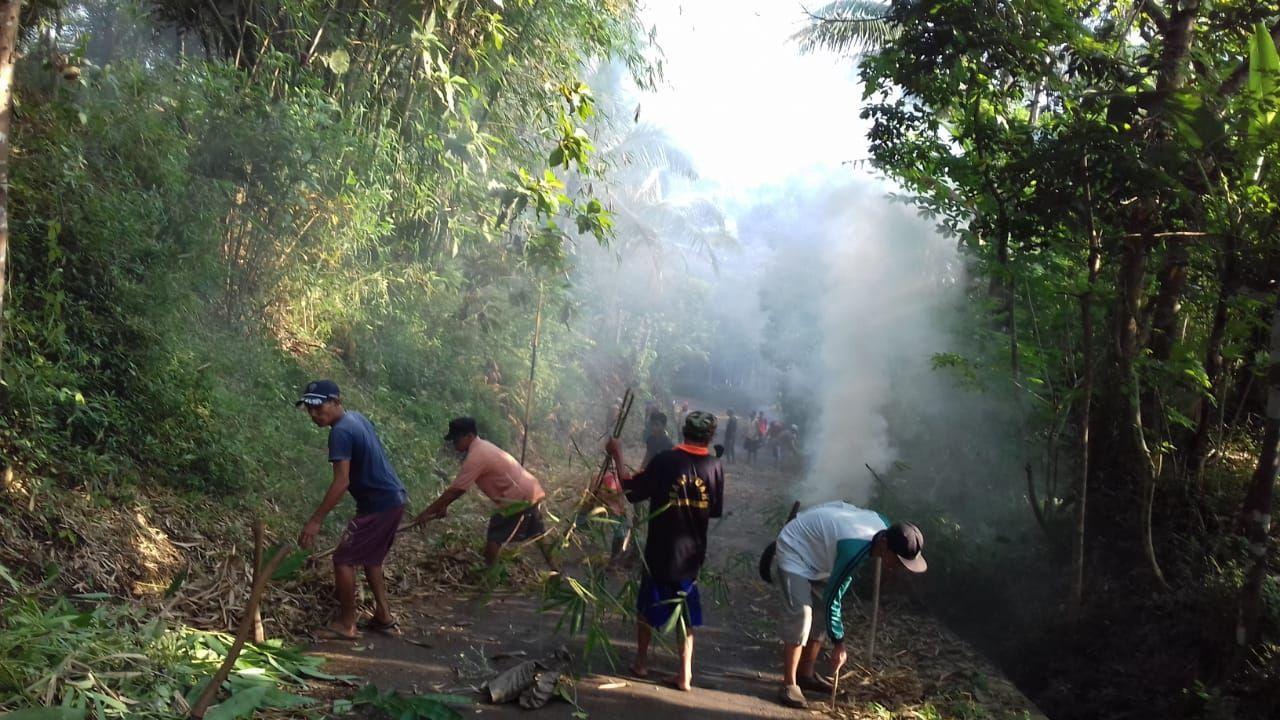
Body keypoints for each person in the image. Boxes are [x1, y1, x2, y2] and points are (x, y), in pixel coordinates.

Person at [761, 501, 926, 708]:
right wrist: (839, 643)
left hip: (819, 553)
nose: (901, 566)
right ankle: (789, 684)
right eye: (899, 560)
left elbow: (845, 509)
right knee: (802, 614)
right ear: (884, 545)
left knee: (820, 614)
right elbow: (833, 596)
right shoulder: (853, 549)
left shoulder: (883, 526)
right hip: (795, 549)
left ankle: (806, 675)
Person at [605, 410, 725, 692]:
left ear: (683, 430)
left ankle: (641, 663)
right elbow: (715, 509)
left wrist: (617, 453)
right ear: (710, 436)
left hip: (660, 550)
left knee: (647, 607)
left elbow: (631, 490)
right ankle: (685, 675)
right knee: (684, 612)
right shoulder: (716, 467)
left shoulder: (666, 460)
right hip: (692, 554)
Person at [296, 380, 408, 640]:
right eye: (308, 408)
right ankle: (384, 615)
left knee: (343, 560)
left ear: (336, 402)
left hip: (378, 505)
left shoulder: (340, 433)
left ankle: (347, 624)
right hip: (392, 499)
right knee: (371, 559)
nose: (313, 413)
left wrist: (315, 521)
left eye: (318, 406)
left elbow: (342, 481)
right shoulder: (355, 418)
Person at [415, 418, 554, 567]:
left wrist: (427, 512)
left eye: (456, 439)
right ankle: (557, 571)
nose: (454, 443)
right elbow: (456, 491)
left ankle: (489, 577)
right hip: (530, 489)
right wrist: (443, 507)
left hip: (517, 497)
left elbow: (456, 491)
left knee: (494, 536)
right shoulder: (484, 447)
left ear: (469, 436)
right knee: (538, 534)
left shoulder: (476, 456)